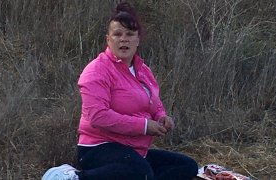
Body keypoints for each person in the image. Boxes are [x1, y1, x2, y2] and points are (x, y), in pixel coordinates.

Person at [42, 1, 198, 180]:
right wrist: (145, 126)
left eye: (130, 34)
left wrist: (162, 117)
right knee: (141, 173)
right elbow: (98, 116)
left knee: (187, 166)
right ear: (108, 39)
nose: (124, 39)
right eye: (117, 34)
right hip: (98, 147)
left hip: (135, 150)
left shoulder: (143, 70)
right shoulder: (96, 70)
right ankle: (73, 177)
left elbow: (155, 104)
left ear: (138, 40)